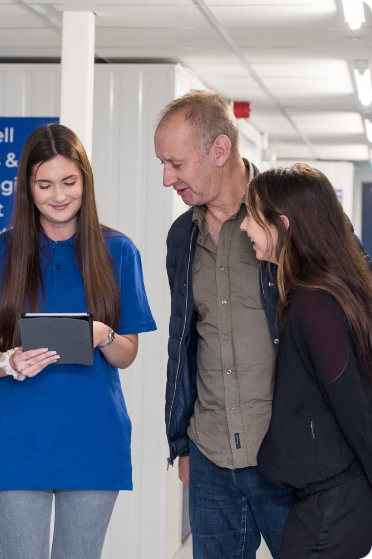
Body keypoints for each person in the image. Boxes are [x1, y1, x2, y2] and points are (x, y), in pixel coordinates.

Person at [0, 123, 157, 559]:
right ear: (27, 188)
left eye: (69, 182)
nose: (58, 195)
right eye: (44, 184)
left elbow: (127, 355)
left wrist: (103, 336)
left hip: (94, 439)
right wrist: (10, 362)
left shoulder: (119, 252)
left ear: (85, 180)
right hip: (17, 440)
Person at [155, 89, 293, 558]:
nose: (166, 178)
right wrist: (181, 439)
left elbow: (351, 298)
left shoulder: (286, 216)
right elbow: (183, 340)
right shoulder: (181, 236)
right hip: (210, 455)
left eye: (176, 163)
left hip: (286, 453)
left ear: (219, 150)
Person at [240, 163, 372, 558]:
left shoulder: (315, 303)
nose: (244, 227)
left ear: (282, 224)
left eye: (252, 216)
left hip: (333, 505)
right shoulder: (320, 294)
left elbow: (356, 407)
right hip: (326, 499)